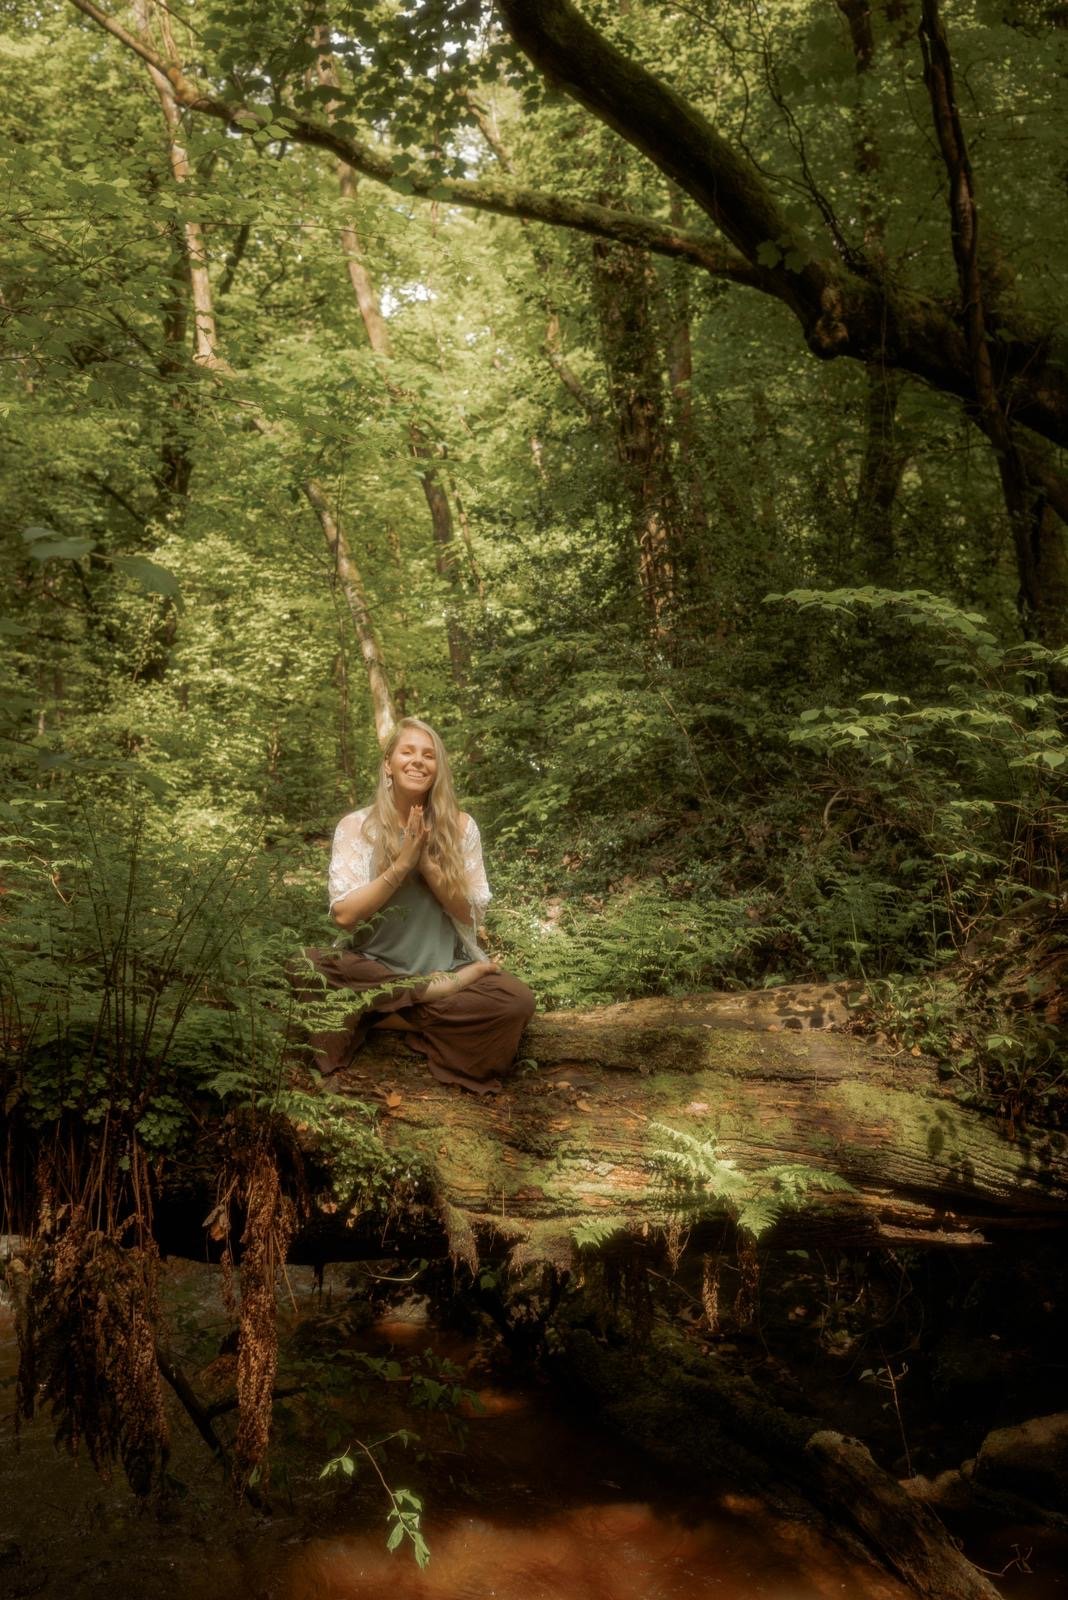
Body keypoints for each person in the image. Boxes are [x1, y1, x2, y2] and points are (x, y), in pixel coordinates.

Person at [299, 718, 535, 1094]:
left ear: (438, 769)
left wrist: (426, 864)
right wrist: (401, 865)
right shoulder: (357, 826)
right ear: (388, 765)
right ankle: (420, 996)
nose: (418, 761)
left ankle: (379, 1012)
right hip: (371, 968)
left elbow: (471, 914)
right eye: (407, 751)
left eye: (429, 755)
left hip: (446, 967)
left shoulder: (461, 826)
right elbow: (344, 917)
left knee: (516, 1001)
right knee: (306, 966)